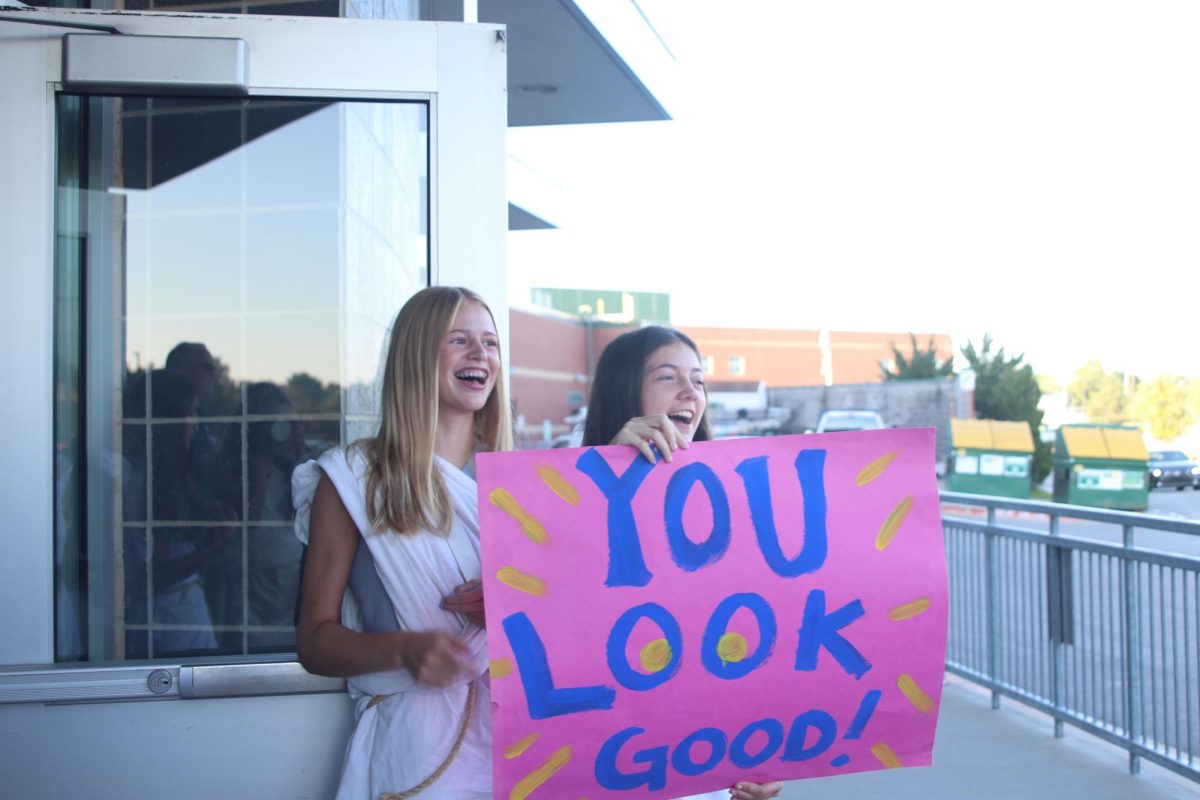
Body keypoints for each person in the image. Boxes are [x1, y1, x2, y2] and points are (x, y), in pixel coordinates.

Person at [293, 286, 509, 799]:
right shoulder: (353, 477)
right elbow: (314, 641)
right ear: (417, 355)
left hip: (514, 745)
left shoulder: (522, 484)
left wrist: (516, 605)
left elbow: (578, 620)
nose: (481, 355)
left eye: (490, 343)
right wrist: (406, 649)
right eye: (460, 340)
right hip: (412, 753)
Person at [582, 325, 786, 800]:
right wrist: (607, 471)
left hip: (701, 771)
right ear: (624, 391)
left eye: (698, 379)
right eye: (668, 377)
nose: (690, 391)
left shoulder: (737, 503)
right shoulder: (564, 494)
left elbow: (762, 636)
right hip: (604, 764)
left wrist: (767, 757)